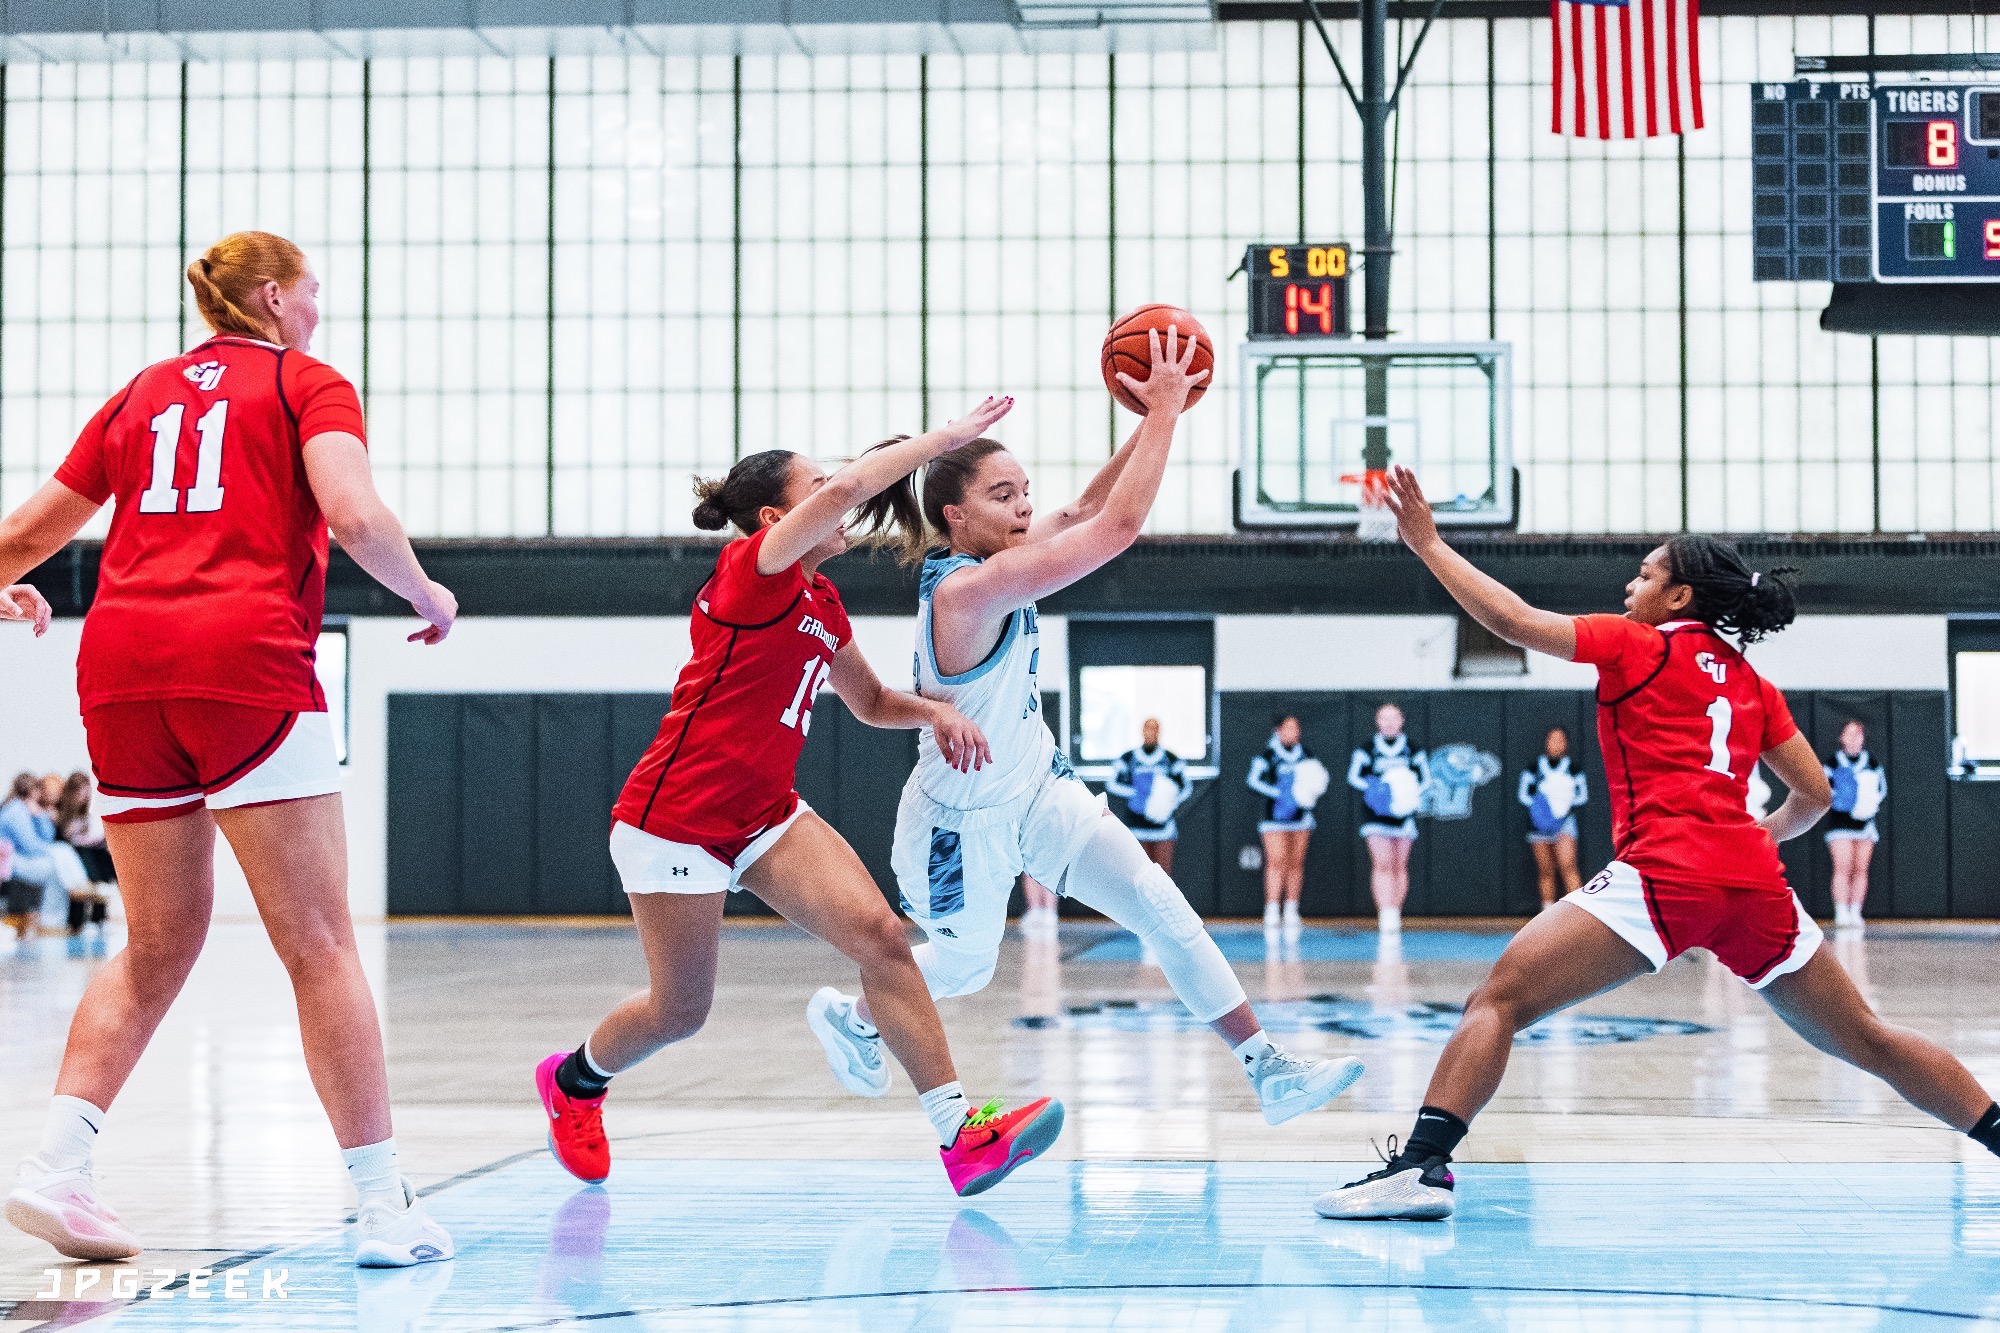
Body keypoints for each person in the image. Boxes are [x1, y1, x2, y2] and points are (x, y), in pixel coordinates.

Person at [1316, 466, 2000, 1221]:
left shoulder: (1636, 646)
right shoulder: (1751, 684)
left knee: (1497, 1001)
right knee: (1866, 1036)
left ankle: (1421, 1168)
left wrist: (1428, 543)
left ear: (1679, 597)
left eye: (1644, 574)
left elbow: (1512, 621)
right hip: (1754, 887)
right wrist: (1749, 837)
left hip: (1664, 874)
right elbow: (1817, 796)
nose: (1629, 585)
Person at [0, 231, 459, 1266]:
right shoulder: (306, 381)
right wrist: (426, 593)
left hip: (120, 671)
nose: (317, 312)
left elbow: (24, 536)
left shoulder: (139, 395)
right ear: (269, 297)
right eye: (311, 294)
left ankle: (56, 1168)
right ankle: (386, 1206)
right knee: (319, 940)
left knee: (157, 940)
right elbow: (351, 512)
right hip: (242, 660)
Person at [809, 324, 1363, 1127]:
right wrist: (1168, 415)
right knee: (962, 969)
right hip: (957, 821)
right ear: (955, 517)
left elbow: (1084, 506)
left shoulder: (1002, 556)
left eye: (1024, 488)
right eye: (1005, 496)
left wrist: (1152, 417)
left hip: (1036, 784)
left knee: (1161, 906)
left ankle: (1267, 1067)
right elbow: (1116, 530)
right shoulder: (966, 593)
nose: (1028, 504)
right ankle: (851, 1014)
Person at [535, 397, 1068, 1201]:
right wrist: (949, 438)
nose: (839, 494)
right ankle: (574, 1080)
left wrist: (936, 709)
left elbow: (870, 702)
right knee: (681, 1011)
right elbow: (853, 484)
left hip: (764, 814)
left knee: (884, 938)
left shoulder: (821, 602)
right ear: (778, 516)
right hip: (674, 822)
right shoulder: (753, 572)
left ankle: (962, 1137)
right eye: (818, 486)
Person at [1346, 704, 1429, 936]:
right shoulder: (1367, 749)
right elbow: (1354, 777)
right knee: (1382, 863)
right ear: (1377, 721)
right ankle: (1385, 913)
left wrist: (1406, 794)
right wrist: (1378, 790)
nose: (1390, 722)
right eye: (1384, 718)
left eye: (1394, 718)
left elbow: (1425, 780)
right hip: (1376, 815)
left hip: (1403, 816)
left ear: (1401, 720)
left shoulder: (1412, 749)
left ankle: (1396, 911)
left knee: (1399, 864)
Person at [1247, 716, 1322, 931]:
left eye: (1296, 728)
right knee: (1276, 861)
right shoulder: (1268, 756)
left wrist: (1303, 795)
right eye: (1288, 728)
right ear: (1278, 731)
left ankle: (1291, 908)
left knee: (1296, 862)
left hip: (1301, 818)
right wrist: (1279, 793)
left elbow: (1316, 780)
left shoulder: (1306, 755)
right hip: (1274, 819)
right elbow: (1252, 780)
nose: (1293, 732)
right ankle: (1271, 908)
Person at [1106, 717, 1195, 875]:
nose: (1151, 732)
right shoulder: (1129, 758)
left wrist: (1168, 802)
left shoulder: (1170, 759)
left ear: (1159, 732)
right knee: (1137, 875)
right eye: (1148, 728)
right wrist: (1137, 793)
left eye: (1155, 729)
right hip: (1136, 826)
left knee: (1163, 875)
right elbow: (1112, 784)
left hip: (1163, 828)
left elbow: (1186, 788)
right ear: (1142, 731)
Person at [0, 773, 88, 932]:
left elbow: (47, 837)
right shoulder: (15, 811)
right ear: (33, 791)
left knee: (57, 861)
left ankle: (54, 920)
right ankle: (53, 918)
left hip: (21, 859)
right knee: (58, 859)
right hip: (11, 862)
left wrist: (39, 815)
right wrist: (41, 817)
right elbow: (31, 847)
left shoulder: (25, 809)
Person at [1824, 720, 1886, 930]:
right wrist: (1843, 798)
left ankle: (1855, 911)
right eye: (1848, 734)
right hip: (1840, 825)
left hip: (1865, 825)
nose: (1853, 739)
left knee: (1861, 868)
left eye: (1857, 734)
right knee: (1843, 867)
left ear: (1863, 738)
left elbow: (1880, 791)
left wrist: (1867, 804)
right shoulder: (1833, 763)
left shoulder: (1872, 764)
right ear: (1841, 737)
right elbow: (1825, 791)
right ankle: (1841, 911)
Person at [1518, 727, 1587, 909]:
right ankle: (1547, 912)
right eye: (1552, 739)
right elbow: (1524, 795)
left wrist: (1562, 809)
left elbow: (1582, 796)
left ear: (1566, 743)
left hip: (1564, 824)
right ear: (1546, 742)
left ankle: (1577, 912)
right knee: (1546, 870)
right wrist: (1542, 810)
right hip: (1539, 826)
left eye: (1560, 739)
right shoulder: (1534, 768)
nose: (1556, 743)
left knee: (1568, 866)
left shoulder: (1573, 769)